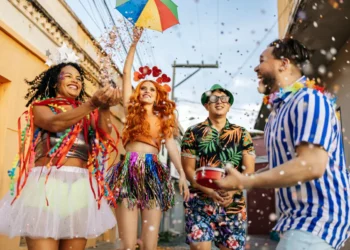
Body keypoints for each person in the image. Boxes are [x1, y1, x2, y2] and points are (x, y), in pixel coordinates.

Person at [216, 38, 350, 250]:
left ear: (283, 63)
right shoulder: (276, 116)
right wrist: (241, 181)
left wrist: (246, 182)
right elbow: (283, 168)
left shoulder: (310, 99)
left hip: (320, 218)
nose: (256, 67)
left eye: (262, 60)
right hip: (294, 220)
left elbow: (311, 165)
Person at [0, 47, 121, 250]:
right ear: (55, 80)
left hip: (80, 189)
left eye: (79, 78)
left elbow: (104, 131)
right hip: (44, 188)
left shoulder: (87, 112)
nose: (75, 80)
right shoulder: (41, 106)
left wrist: (105, 107)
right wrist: (92, 103)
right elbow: (55, 124)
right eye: (68, 76)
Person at [106, 28, 189, 250]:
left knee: (150, 245)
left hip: (153, 172)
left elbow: (171, 145)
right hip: (128, 169)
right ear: (137, 92)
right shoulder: (130, 110)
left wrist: (181, 173)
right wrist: (134, 43)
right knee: (128, 243)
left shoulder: (163, 118)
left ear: (158, 94)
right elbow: (125, 72)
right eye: (143, 88)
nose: (147, 91)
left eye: (151, 89)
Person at [181, 84, 256, 250]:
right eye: (214, 98)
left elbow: (249, 170)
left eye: (224, 99)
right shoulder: (192, 132)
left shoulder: (242, 134)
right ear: (206, 105)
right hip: (199, 203)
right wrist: (210, 192)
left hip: (233, 204)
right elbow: (188, 171)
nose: (219, 101)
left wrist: (231, 191)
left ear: (229, 105)